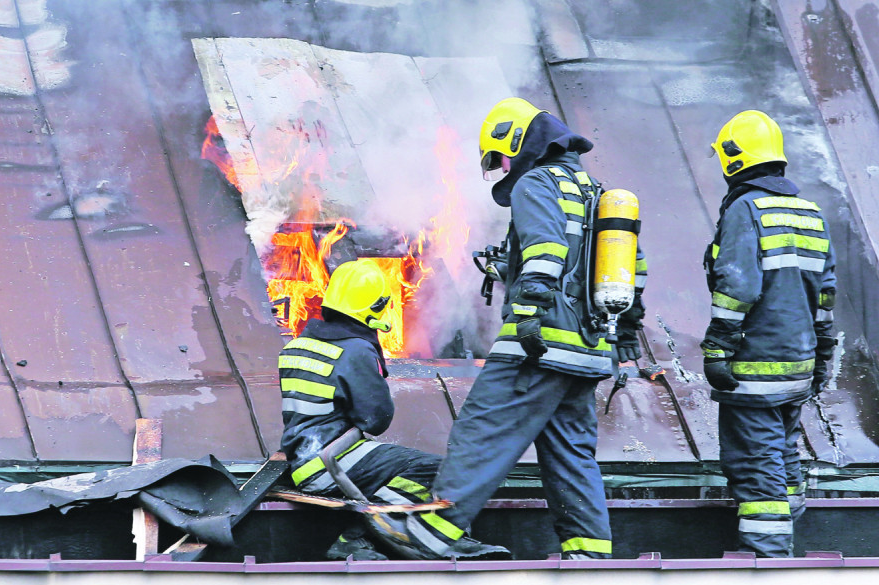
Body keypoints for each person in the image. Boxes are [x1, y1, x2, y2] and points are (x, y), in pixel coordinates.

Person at [372, 97, 647, 560]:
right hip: (588, 351)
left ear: (517, 142)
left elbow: (546, 249)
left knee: (482, 429)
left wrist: (527, 314)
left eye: (498, 157)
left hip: (540, 344)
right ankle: (590, 551)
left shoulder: (536, 181)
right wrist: (621, 341)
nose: (500, 168)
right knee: (570, 452)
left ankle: (436, 529)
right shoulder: (596, 191)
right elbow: (631, 272)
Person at [278, 258, 504, 560]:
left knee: (398, 468)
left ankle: (362, 544)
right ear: (373, 308)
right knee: (437, 469)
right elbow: (376, 418)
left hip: (302, 461)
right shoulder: (354, 349)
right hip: (331, 463)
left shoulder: (296, 346)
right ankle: (363, 535)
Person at [702, 110, 836, 557]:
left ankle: (771, 561)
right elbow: (825, 293)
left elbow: (737, 285)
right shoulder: (811, 212)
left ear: (733, 159)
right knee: (783, 455)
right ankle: (790, 534)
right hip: (797, 368)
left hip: (754, 371)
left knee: (755, 465)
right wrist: (824, 355)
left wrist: (718, 347)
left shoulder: (746, 209)